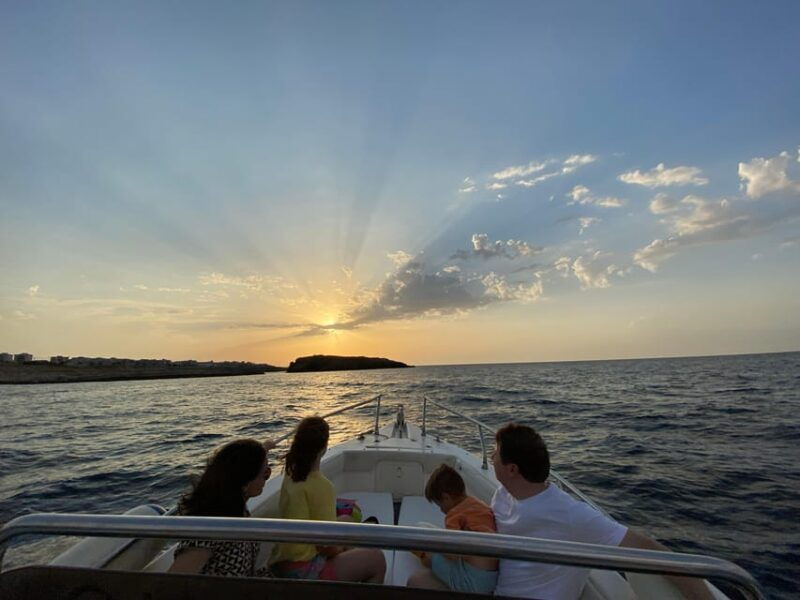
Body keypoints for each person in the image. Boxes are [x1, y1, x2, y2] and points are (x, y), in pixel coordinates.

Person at [491, 423, 714, 600]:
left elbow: (650, 550)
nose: (491, 458)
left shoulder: (569, 513)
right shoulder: (503, 494)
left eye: (496, 453)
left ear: (512, 469)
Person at [269, 416, 385, 583]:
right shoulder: (322, 486)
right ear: (324, 447)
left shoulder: (291, 473)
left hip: (280, 562)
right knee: (376, 558)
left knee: (346, 519)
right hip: (303, 571)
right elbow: (327, 546)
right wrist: (344, 548)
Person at [169, 438, 275, 577]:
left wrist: (264, 448)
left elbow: (243, 463)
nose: (266, 478)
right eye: (265, 474)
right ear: (245, 483)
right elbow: (173, 582)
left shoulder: (234, 508)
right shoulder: (211, 529)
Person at [407, 464, 498, 594]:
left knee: (426, 547)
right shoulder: (478, 504)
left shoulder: (454, 515)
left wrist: (434, 548)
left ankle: (424, 556)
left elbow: (452, 554)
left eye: (440, 505)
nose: (441, 510)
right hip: (491, 578)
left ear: (446, 497)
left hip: (471, 582)